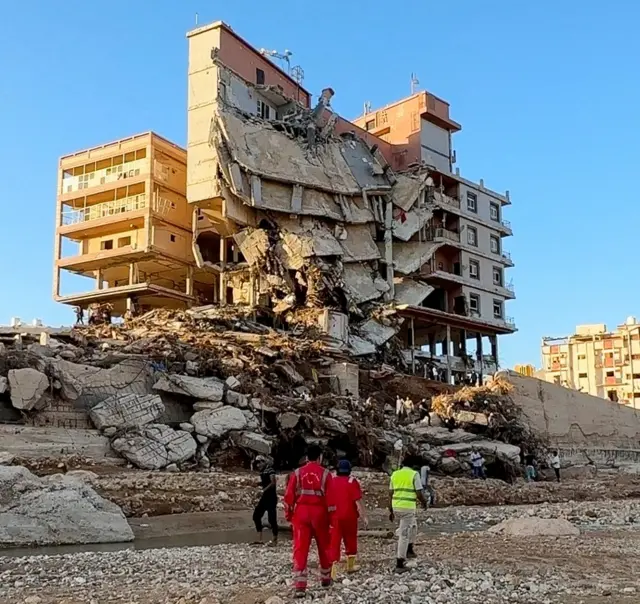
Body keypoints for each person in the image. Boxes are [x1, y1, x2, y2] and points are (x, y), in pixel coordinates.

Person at [284, 444, 334, 598]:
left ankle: (300, 586)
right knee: (324, 546)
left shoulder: (297, 473)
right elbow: (331, 501)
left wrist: (288, 515)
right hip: (320, 514)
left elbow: (288, 497)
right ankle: (325, 578)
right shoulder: (326, 474)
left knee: (300, 548)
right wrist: (332, 520)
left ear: (306, 458)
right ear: (320, 458)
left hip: (301, 513)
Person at [328, 460, 368, 579]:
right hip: (349, 516)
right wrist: (364, 516)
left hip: (334, 516)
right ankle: (350, 566)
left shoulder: (332, 481)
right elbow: (358, 501)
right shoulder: (352, 482)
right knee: (350, 540)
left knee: (334, 542)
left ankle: (332, 571)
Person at [389, 456, 428, 573]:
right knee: (404, 534)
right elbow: (419, 492)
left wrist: (391, 511)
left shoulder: (395, 474)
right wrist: (424, 503)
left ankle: (409, 548)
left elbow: (390, 493)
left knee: (413, 525)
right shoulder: (414, 474)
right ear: (413, 465)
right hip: (407, 508)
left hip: (396, 506)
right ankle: (400, 562)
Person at [252, 457, 278, 545]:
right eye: (257, 464)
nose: (258, 465)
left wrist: (263, 490)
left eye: (259, 463)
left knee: (272, 519)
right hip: (265, 497)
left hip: (271, 497)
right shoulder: (263, 472)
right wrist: (258, 484)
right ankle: (260, 539)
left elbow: (273, 482)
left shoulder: (270, 470)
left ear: (263, 462)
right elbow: (266, 482)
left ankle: (275, 539)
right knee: (256, 516)